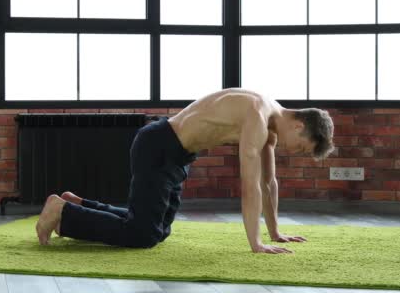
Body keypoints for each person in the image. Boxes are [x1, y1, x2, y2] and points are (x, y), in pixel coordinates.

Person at [36, 88, 335, 254]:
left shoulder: (270, 124)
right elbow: (250, 185)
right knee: (143, 235)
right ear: (299, 126)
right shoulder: (257, 114)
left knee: (158, 231)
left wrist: (275, 232)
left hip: (175, 154)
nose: (294, 152)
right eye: (302, 147)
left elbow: (269, 183)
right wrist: (255, 243)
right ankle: (63, 213)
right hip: (159, 145)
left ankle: (78, 205)